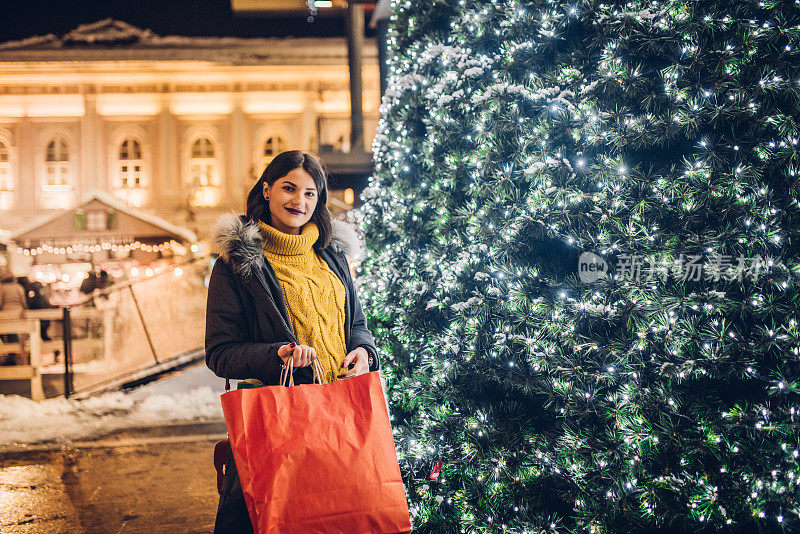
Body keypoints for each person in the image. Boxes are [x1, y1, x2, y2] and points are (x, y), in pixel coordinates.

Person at [205, 150, 379, 533]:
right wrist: (276, 355)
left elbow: (358, 324)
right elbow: (220, 353)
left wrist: (364, 351)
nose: (298, 201)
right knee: (278, 518)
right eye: (288, 188)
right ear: (266, 189)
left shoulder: (332, 255)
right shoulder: (236, 264)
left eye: (310, 193)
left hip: (339, 419)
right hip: (278, 424)